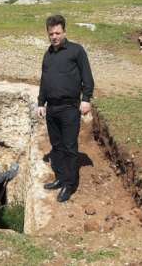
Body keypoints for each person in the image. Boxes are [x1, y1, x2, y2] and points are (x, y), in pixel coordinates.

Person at [37, 14, 95, 203]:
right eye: (51, 33)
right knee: (57, 146)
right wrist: (40, 102)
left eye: (58, 33)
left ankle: (70, 185)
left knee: (70, 148)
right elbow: (44, 81)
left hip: (70, 108)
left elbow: (87, 76)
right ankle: (60, 178)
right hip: (52, 109)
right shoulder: (48, 54)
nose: (54, 36)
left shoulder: (76, 51)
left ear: (64, 32)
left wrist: (86, 98)